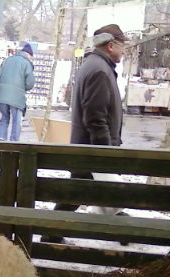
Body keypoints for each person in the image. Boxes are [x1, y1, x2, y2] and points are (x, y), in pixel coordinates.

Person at [43, 24, 127, 244]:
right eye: (122, 45)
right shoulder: (99, 70)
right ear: (111, 45)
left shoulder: (95, 65)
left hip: (87, 147)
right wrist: (103, 152)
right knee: (77, 194)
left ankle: (121, 225)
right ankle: (50, 234)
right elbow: (95, 117)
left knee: (82, 193)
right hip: (91, 149)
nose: (124, 50)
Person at [0, 43, 35, 142]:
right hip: (17, 98)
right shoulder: (27, 64)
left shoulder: (7, 60)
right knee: (16, 121)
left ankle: (2, 139)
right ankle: (13, 143)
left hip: (2, 96)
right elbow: (30, 83)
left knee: (4, 118)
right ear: (29, 55)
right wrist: (23, 87)